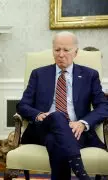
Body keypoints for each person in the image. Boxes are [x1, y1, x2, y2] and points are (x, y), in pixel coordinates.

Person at [17, 31, 108, 180]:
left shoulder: (90, 75)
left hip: (76, 130)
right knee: (58, 116)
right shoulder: (39, 74)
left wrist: (83, 123)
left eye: (66, 50)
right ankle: (81, 173)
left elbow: (104, 106)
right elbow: (22, 105)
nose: (61, 54)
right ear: (53, 50)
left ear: (76, 52)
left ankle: (80, 172)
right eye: (57, 50)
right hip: (43, 128)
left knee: (55, 140)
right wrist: (38, 115)